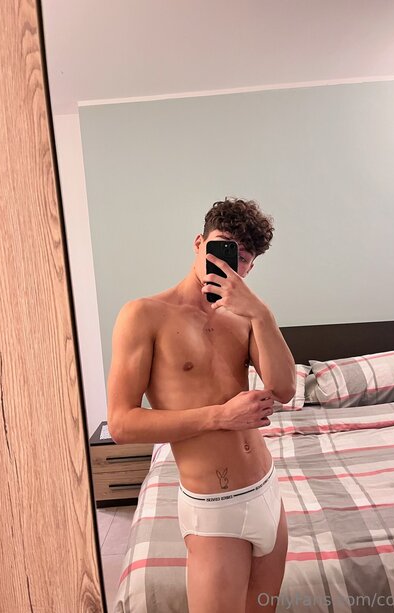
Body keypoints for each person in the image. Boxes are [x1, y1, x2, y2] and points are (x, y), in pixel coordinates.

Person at [107, 197, 296, 612]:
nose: (230, 262)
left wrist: (262, 314)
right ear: (198, 242)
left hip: (268, 491)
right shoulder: (144, 315)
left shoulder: (245, 317)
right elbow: (121, 424)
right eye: (222, 246)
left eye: (243, 258)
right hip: (215, 507)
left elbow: (284, 389)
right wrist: (220, 416)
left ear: (250, 268)